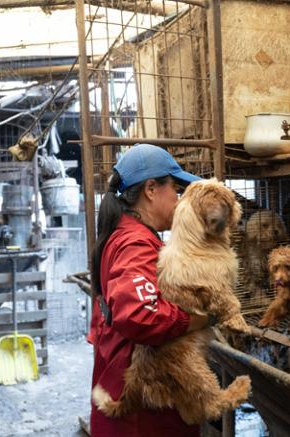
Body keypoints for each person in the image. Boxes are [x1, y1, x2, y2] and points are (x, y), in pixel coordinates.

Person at [88, 144, 209, 436]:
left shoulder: (125, 234)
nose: (179, 200)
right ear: (151, 189)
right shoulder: (136, 243)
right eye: (176, 190)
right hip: (142, 414)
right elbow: (140, 314)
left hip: (125, 395)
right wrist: (197, 319)